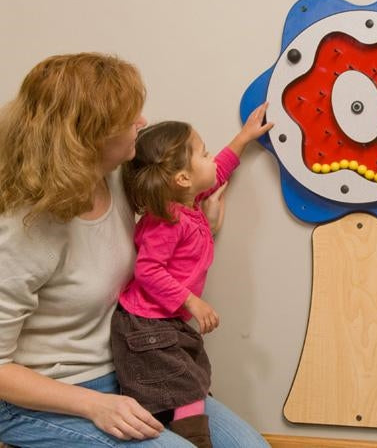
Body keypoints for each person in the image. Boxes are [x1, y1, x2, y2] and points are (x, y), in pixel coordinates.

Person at [0, 52, 271, 447]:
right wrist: (93, 405)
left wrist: (201, 228)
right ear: (89, 137)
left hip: (130, 367)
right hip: (43, 399)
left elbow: (171, 216)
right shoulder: (22, 232)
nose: (141, 123)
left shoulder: (115, 181)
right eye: (129, 118)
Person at [110, 103, 271, 448]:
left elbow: (219, 172)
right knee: (186, 392)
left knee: (190, 384)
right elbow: (147, 269)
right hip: (147, 327)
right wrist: (191, 301)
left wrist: (244, 138)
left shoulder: (188, 203)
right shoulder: (166, 221)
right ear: (182, 178)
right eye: (204, 153)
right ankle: (195, 441)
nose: (211, 159)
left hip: (166, 325)